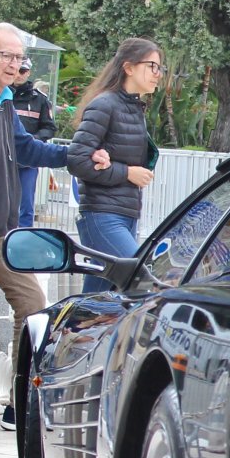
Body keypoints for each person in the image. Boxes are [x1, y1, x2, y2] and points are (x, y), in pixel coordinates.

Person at [0, 22, 108, 435]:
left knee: (32, 305)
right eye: (7, 55)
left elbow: (29, 148)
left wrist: (78, 156)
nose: (15, 64)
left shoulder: (5, 102)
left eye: (19, 57)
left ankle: (18, 401)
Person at [67, 38, 163, 293]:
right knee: (140, 279)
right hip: (102, 215)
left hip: (125, 215)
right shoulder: (105, 104)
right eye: (152, 66)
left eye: (159, 68)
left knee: (99, 298)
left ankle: (75, 332)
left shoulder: (133, 108)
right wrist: (127, 173)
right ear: (128, 67)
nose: (158, 74)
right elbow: (77, 159)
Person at [11, 57, 56, 228]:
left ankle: (23, 239)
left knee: (27, 204)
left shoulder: (40, 99)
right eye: (16, 70)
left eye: (23, 71)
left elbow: (49, 128)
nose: (19, 75)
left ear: (28, 72)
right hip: (3, 156)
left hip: (28, 159)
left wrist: (33, 140)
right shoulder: (1, 94)